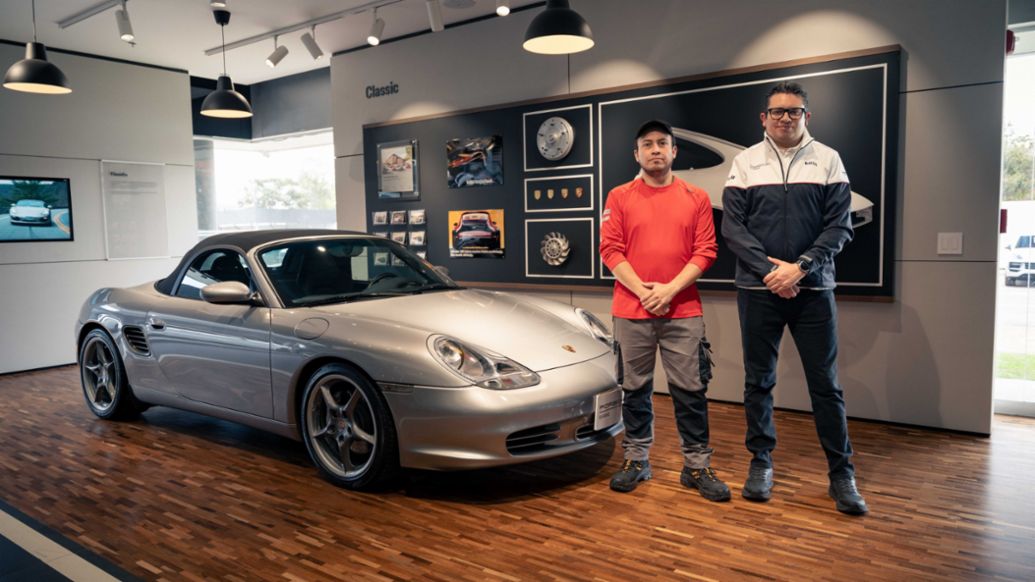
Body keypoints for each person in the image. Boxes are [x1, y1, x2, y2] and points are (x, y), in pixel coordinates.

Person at [721, 82, 868, 515]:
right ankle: (760, 462)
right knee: (758, 381)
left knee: (825, 385)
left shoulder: (828, 160)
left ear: (808, 116)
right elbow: (733, 229)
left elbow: (840, 227)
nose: (786, 118)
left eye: (794, 111)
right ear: (763, 118)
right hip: (758, 290)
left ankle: (841, 473)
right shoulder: (746, 162)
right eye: (778, 111)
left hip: (814, 289)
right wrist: (771, 273)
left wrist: (800, 267)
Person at [599, 119, 728, 501]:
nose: (655, 150)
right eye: (648, 144)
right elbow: (610, 249)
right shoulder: (619, 196)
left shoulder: (696, 197)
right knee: (634, 389)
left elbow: (706, 250)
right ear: (636, 154)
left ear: (674, 151)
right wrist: (644, 292)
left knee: (691, 390)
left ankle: (696, 465)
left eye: (662, 144)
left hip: (683, 310)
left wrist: (669, 290)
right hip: (631, 309)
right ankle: (637, 460)